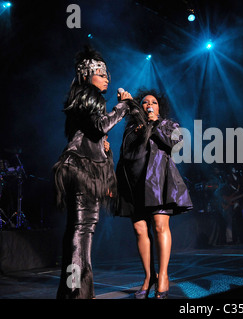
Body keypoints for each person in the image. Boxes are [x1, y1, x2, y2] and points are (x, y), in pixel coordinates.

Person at [53, 46, 132, 299]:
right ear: (88, 75)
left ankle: (75, 291)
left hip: (83, 167)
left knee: (81, 230)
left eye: (106, 73)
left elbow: (91, 132)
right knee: (81, 230)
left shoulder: (83, 97)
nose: (107, 77)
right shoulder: (90, 95)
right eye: (101, 73)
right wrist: (124, 106)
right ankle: (77, 293)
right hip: (82, 169)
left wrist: (102, 146)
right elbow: (99, 125)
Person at [115, 88, 192, 299]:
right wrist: (115, 183)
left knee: (159, 227)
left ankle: (164, 276)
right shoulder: (132, 128)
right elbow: (124, 158)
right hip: (133, 184)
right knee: (140, 230)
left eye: (154, 102)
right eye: (145, 102)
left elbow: (175, 144)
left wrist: (155, 123)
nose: (149, 104)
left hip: (158, 181)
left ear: (159, 107)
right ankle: (150, 277)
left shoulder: (168, 124)